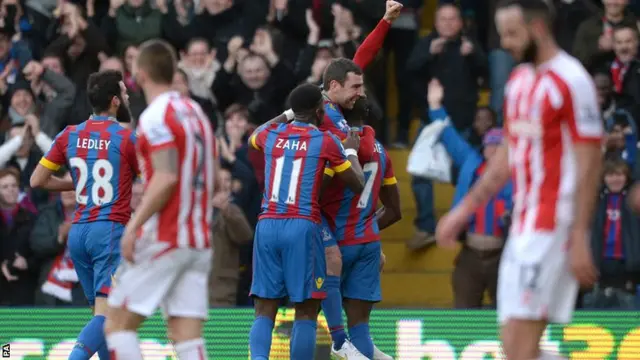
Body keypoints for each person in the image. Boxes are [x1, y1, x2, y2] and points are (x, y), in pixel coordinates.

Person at [435, 1, 603, 360]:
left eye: (512, 33)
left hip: (553, 226)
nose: (505, 43)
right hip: (521, 228)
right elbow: (505, 160)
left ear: (538, 28)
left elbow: (590, 163)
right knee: (515, 349)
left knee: (522, 348)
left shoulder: (572, 80)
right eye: (501, 34)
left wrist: (578, 236)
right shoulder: (518, 81)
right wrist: (462, 211)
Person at [104, 39, 216, 360]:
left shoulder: (155, 117)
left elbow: (166, 178)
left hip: (167, 235)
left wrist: (132, 227)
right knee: (185, 335)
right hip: (199, 240)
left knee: (117, 325)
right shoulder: (196, 112)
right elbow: (214, 175)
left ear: (139, 74)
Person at [247, 83, 365, 360]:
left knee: (265, 308)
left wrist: (288, 114)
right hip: (302, 225)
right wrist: (349, 151)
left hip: (267, 225)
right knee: (307, 310)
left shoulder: (271, 134)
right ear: (318, 110)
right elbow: (358, 183)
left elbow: (254, 134)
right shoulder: (325, 141)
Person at [29, 70, 138, 360]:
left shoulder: (69, 134)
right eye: (125, 93)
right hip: (110, 231)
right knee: (109, 314)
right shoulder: (126, 138)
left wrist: (76, 182)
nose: (127, 96)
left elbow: (37, 181)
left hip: (79, 233)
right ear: (115, 101)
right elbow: (150, 179)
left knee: (100, 314)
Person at [321, 96, 401, 359]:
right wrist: (366, 226)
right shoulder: (381, 152)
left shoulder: (337, 146)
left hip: (332, 243)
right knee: (361, 333)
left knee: (309, 320)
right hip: (366, 244)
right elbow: (394, 210)